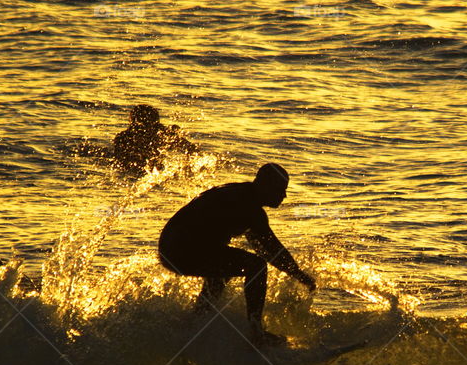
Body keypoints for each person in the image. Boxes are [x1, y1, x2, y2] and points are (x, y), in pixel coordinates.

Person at [158, 163, 316, 346]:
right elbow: (271, 250)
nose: (284, 195)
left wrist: (296, 273)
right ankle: (256, 333)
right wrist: (300, 275)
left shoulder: (245, 197)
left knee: (223, 270)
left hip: (174, 249)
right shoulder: (248, 206)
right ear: (264, 185)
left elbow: (264, 248)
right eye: (280, 189)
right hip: (180, 249)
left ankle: (195, 323)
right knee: (256, 266)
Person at [111, 104, 198, 171]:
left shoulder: (123, 136)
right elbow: (193, 150)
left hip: (132, 170)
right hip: (154, 171)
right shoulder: (162, 134)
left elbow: (116, 160)